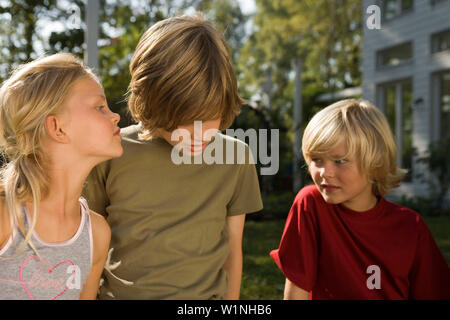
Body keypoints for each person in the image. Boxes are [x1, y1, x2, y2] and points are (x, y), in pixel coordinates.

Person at [82, 14, 263, 300]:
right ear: (150, 100)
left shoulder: (236, 157)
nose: (197, 134)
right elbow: (87, 247)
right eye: (183, 120)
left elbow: (233, 251)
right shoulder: (110, 152)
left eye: (210, 117)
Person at [270, 99, 450, 300]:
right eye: (316, 159)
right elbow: (296, 292)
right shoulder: (311, 204)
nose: (324, 172)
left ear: (375, 163)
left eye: (340, 161)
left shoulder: (411, 227)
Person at [0, 53, 122, 300]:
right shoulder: (5, 215)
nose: (115, 116)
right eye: (100, 107)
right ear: (58, 128)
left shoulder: (97, 234)